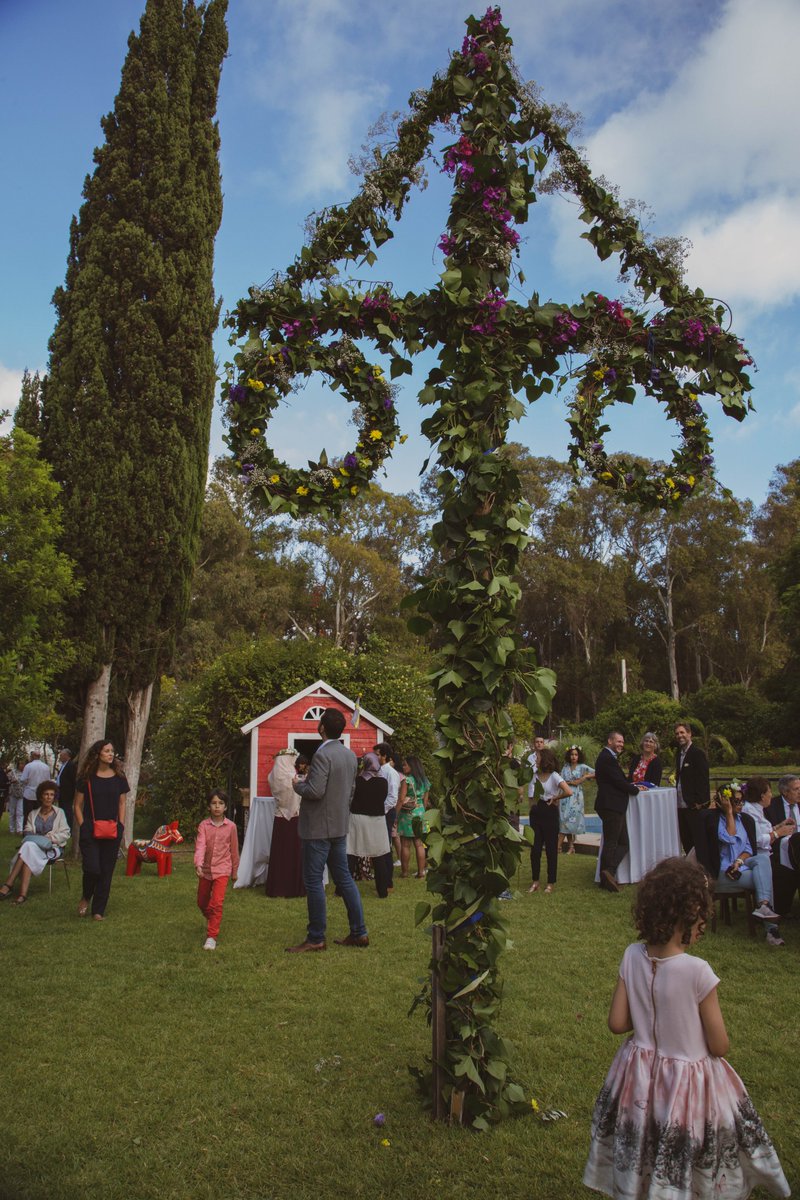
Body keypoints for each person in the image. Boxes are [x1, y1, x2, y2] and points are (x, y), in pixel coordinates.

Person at [583, 857, 790, 1200]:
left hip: (640, 1079)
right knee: (684, 1147)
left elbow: (617, 1023)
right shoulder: (698, 972)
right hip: (686, 1084)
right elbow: (719, 1045)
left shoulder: (632, 956)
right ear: (691, 913)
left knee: (648, 1141)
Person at [287, 707, 368, 952]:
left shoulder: (323, 755)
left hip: (318, 829)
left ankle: (315, 938)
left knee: (313, 881)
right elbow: (352, 791)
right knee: (343, 878)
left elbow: (315, 791)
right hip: (339, 825)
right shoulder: (349, 755)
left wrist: (297, 785)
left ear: (321, 727)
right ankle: (359, 932)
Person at [703, 785, 784, 947]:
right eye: (736, 801)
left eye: (742, 801)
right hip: (723, 872)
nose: (741, 804)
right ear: (726, 802)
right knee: (763, 877)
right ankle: (771, 929)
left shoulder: (745, 820)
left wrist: (739, 861)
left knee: (762, 859)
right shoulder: (715, 821)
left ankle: (764, 907)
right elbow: (730, 837)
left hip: (740, 865)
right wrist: (729, 813)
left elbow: (748, 848)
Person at [74, 740, 128, 921]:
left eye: (112, 751)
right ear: (98, 754)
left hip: (112, 830)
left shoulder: (120, 777)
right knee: (92, 869)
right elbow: (77, 805)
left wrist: (121, 825)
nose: (111, 754)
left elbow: (122, 803)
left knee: (106, 871)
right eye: (107, 751)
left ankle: (98, 910)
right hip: (90, 830)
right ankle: (86, 896)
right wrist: (83, 825)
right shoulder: (86, 778)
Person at [0, 780, 70, 904]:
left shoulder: (60, 813)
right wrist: (37, 839)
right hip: (34, 847)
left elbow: (65, 833)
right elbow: (27, 831)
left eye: (51, 794)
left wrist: (50, 838)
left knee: (28, 847)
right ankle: (22, 895)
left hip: (52, 848)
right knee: (29, 848)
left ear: (54, 797)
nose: (49, 797)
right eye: (46, 794)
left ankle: (9, 884)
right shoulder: (33, 814)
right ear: (41, 796)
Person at [594, 731, 640, 893]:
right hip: (611, 805)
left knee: (623, 843)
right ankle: (607, 875)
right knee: (613, 842)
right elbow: (618, 781)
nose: (621, 744)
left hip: (613, 805)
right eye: (618, 741)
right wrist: (634, 790)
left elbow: (618, 780)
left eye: (622, 742)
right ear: (610, 740)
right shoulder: (607, 758)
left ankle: (608, 874)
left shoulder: (609, 757)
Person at [194, 789, 239, 950]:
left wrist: (234, 871)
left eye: (220, 803)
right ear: (209, 807)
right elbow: (200, 845)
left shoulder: (231, 827)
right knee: (202, 902)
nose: (217, 807)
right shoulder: (204, 826)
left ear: (225, 807)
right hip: (205, 870)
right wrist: (198, 864)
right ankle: (212, 918)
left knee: (217, 903)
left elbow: (234, 851)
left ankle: (211, 936)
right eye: (214, 803)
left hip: (223, 870)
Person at [527, 748, 571, 893]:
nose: (536, 759)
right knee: (535, 850)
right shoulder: (534, 775)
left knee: (551, 850)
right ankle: (535, 881)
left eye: (538, 757)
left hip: (550, 812)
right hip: (536, 813)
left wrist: (555, 798)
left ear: (544, 759)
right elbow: (531, 797)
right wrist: (531, 810)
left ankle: (550, 882)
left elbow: (568, 791)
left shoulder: (554, 776)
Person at [347, 752, 391, 898]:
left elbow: (350, 798)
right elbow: (384, 799)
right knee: (379, 856)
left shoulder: (357, 780)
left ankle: (342, 890)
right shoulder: (383, 782)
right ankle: (382, 891)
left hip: (357, 819)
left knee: (352, 853)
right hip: (377, 820)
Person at [265, 751, 305, 899]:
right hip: (294, 818)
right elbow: (298, 797)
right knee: (294, 852)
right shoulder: (292, 777)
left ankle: (277, 887)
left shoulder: (272, 776)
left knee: (280, 853)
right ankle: (293, 887)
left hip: (280, 817)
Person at [674, 721, 710, 862]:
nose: (679, 736)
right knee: (686, 839)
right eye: (677, 733)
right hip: (681, 805)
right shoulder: (679, 753)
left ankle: (702, 869)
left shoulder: (697, 753)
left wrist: (700, 802)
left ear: (689, 734)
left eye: (682, 732)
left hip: (694, 805)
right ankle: (690, 870)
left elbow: (703, 779)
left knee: (698, 840)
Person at [767, 774, 800, 916]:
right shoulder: (771, 807)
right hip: (779, 851)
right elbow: (766, 832)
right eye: (796, 789)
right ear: (785, 792)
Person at [397, 755, 429, 879]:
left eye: (405, 764)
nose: (403, 767)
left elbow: (401, 799)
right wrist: (422, 811)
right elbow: (425, 800)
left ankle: (405, 872)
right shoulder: (425, 781)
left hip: (408, 815)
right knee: (419, 844)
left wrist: (396, 814)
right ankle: (421, 872)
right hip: (421, 813)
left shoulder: (407, 780)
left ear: (412, 766)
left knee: (405, 844)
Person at [374, 742, 402, 885]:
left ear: (384, 756)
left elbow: (392, 797)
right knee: (378, 846)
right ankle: (381, 877)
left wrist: (381, 811)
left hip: (386, 812)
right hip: (378, 812)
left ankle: (388, 880)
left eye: (377, 754)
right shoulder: (377, 770)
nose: (376, 757)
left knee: (386, 846)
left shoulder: (391, 773)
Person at [559, 745, 594, 853]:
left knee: (570, 820)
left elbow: (597, 772)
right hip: (565, 795)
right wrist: (569, 783)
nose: (574, 757)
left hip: (576, 796)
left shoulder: (582, 767)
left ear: (579, 756)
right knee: (565, 820)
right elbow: (560, 779)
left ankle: (558, 846)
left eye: (576, 754)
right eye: (572, 754)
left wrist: (584, 777)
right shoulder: (565, 767)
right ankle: (571, 847)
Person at [20, 750, 52, 825]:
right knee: (40, 814)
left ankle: (27, 831)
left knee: (27, 814)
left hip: (29, 794)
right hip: (41, 794)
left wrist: (28, 782)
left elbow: (23, 779)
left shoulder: (28, 766)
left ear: (33, 756)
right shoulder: (46, 767)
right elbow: (48, 781)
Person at [55, 748, 77, 830]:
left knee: (67, 810)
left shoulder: (71, 765)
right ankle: (62, 826)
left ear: (66, 756)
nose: (60, 757)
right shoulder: (63, 765)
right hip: (61, 791)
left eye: (61, 755)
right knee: (62, 810)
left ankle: (69, 827)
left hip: (67, 793)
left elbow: (73, 779)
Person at [6, 758, 26, 835]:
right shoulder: (12, 772)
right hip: (13, 794)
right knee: (12, 812)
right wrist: (12, 781)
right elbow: (7, 782)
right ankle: (11, 829)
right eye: (20, 763)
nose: (22, 765)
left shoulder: (26, 772)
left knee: (20, 812)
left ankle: (19, 829)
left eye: (23, 764)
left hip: (22, 795)